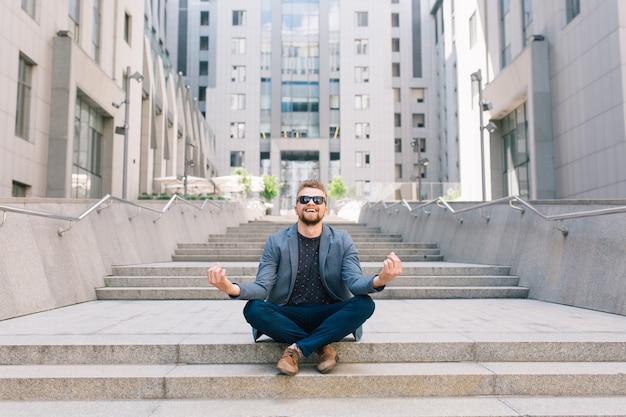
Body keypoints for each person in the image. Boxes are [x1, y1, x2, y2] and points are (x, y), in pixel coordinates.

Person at [207, 179, 402, 376]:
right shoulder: (277, 241)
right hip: (289, 314)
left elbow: (355, 282)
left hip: (329, 312)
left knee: (365, 304)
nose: (311, 203)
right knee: (253, 309)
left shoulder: (342, 240)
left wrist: (381, 279)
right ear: (296, 207)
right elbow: (262, 287)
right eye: (305, 199)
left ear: (325, 208)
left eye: (318, 200)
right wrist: (230, 287)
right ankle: (322, 346)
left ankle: (296, 350)